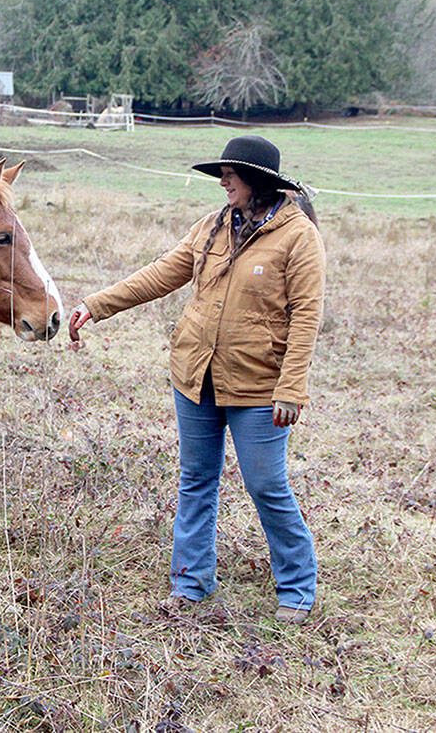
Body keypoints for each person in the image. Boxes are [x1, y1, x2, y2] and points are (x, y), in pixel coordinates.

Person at [68, 136, 325, 624]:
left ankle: (296, 587)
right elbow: (162, 273)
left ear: (259, 181)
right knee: (196, 481)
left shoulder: (298, 236)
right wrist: (96, 305)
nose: (223, 181)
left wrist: (292, 387)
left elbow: (307, 315)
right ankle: (190, 584)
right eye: (222, 174)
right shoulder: (212, 227)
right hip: (195, 376)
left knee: (266, 485)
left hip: (257, 386)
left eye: (231, 174)